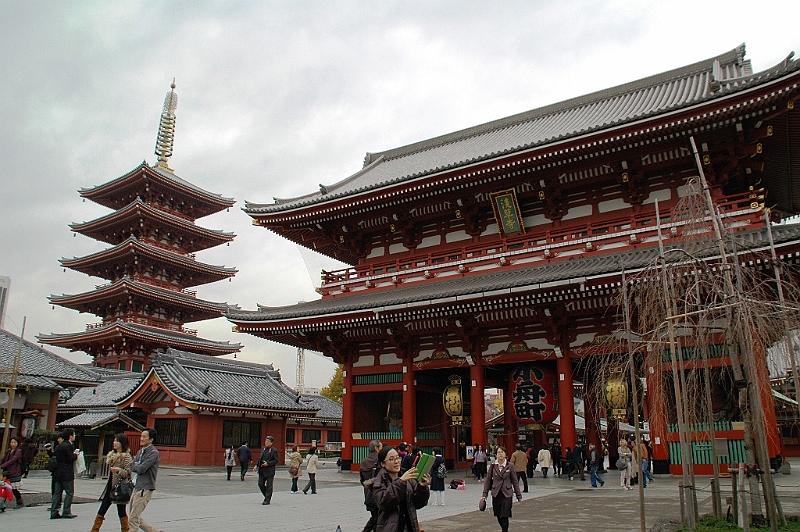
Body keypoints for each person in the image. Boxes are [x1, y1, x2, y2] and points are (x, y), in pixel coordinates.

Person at [372, 446, 430, 532]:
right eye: (391, 459)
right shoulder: (379, 482)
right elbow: (384, 503)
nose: (396, 462)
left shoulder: (408, 479)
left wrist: (422, 487)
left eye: (397, 458)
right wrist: (401, 482)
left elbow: (419, 504)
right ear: (383, 464)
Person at [90, 433, 132, 532]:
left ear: (122, 443)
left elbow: (128, 472)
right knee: (103, 508)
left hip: (120, 487)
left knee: (121, 511)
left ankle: (126, 530)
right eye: (114, 440)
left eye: (117, 441)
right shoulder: (113, 455)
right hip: (110, 486)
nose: (114, 443)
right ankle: (94, 529)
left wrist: (118, 470)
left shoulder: (126, 456)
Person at [481, 446, 522, 532]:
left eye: (502, 452)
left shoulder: (510, 466)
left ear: (505, 454)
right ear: (496, 455)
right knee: (498, 515)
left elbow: (515, 481)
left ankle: (505, 530)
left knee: (505, 515)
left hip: (507, 494)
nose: (500, 454)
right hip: (496, 493)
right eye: (499, 452)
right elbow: (488, 480)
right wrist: (485, 494)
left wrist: (518, 495)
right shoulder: (493, 466)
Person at [129, 427, 161, 532]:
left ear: (151, 439)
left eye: (144, 436)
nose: (141, 438)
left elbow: (142, 468)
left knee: (133, 518)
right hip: (136, 486)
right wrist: (135, 465)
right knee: (134, 516)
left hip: (145, 488)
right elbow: (132, 465)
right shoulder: (140, 451)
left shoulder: (153, 453)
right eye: (141, 436)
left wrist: (135, 465)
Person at [50, 428, 79, 519]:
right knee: (69, 492)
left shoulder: (59, 446)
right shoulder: (69, 446)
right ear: (70, 436)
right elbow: (71, 458)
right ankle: (66, 511)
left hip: (58, 472)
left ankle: (54, 511)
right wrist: (76, 455)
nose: (74, 436)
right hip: (67, 472)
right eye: (74, 434)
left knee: (57, 493)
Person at [359, 439, 382, 532]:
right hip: (379, 493)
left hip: (368, 494)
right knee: (378, 519)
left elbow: (362, 480)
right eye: (381, 447)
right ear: (376, 448)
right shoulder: (381, 460)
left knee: (374, 516)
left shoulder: (364, 462)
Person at [0, 436, 24, 509]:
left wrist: (2, 466)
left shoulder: (18, 451)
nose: (13, 444)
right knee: (5, 487)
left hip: (15, 472)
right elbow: (3, 459)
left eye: (14, 442)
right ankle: (2, 504)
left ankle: (20, 502)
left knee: (14, 489)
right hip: (7, 472)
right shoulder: (8, 451)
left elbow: (12, 460)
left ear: (17, 443)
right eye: (12, 442)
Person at [254, 435, 278, 505]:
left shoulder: (274, 450)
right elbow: (260, 458)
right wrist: (256, 465)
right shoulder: (263, 448)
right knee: (260, 484)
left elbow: (276, 460)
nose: (266, 442)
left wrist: (268, 463)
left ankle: (267, 499)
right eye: (266, 441)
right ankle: (267, 495)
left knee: (269, 486)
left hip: (269, 471)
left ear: (271, 443)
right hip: (262, 469)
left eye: (268, 441)